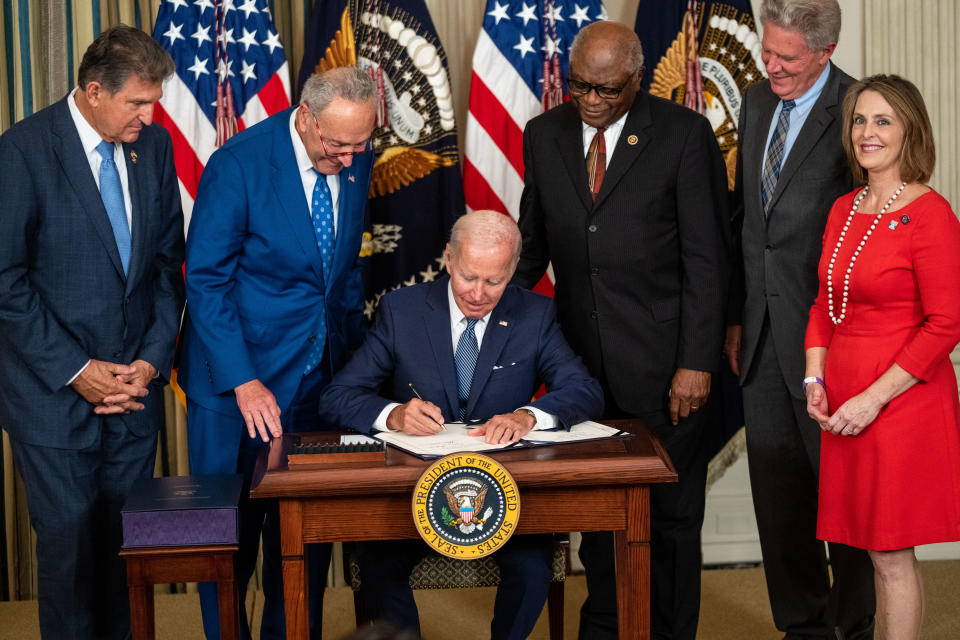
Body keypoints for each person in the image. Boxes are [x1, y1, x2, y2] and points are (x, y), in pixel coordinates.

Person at [513, 20, 729, 640]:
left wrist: (697, 362)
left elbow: (707, 260)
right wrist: (487, 321)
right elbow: (533, 248)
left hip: (666, 367)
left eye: (607, 90)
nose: (592, 101)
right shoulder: (544, 134)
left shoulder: (684, 135)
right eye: (580, 86)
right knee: (601, 513)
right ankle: (606, 627)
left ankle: (667, 631)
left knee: (671, 517)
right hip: (580, 370)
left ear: (635, 80)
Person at [318, 210, 604, 640]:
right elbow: (337, 397)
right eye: (469, 276)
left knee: (532, 568)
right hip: (412, 491)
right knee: (376, 565)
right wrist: (393, 414)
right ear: (449, 259)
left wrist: (528, 415)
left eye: (494, 281)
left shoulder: (535, 313)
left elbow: (584, 390)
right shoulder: (402, 310)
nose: (478, 293)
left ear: (511, 271)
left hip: (505, 492)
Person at [178, 66, 377, 639]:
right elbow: (206, 282)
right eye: (337, 144)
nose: (349, 157)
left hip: (318, 380)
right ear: (307, 118)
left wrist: (356, 374)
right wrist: (243, 380)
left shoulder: (353, 152)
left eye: (359, 144)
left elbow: (340, 276)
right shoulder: (238, 164)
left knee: (302, 540)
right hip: (235, 386)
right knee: (226, 537)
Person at [0, 25, 184, 640]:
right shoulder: (22, 150)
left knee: (125, 551)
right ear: (93, 89)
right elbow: (5, 281)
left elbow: (165, 269)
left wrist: (151, 363)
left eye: (154, 101)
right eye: (137, 102)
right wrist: (79, 371)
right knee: (71, 555)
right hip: (53, 399)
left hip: (133, 394)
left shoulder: (153, 151)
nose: (149, 115)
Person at [726, 1, 876, 637]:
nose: (770, 66)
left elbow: (871, 227)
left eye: (786, 58)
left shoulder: (858, 111)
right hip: (760, 339)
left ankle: (854, 628)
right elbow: (748, 222)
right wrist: (737, 319)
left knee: (844, 511)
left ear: (826, 50)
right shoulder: (758, 101)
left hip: (831, 345)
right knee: (780, 508)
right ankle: (804, 628)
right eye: (767, 52)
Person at [805, 74, 960, 640]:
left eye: (883, 121)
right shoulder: (844, 208)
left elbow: (947, 323)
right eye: (859, 119)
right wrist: (814, 378)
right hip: (843, 401)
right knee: (870, 551)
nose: (867, 133)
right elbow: (824, 301)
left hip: (899, 402)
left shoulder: (931, 214)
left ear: (909, 130)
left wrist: (872, 398)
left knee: (891, 555)